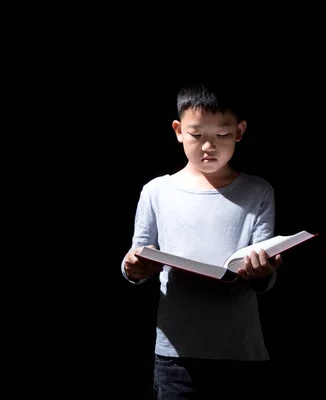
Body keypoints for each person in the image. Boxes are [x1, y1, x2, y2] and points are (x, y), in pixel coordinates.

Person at [121, 82, 283, 398]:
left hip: (240, 349)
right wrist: (133, 267)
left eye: (221, 135)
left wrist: (264, 274)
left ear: (239, 131)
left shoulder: (258, 191)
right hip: (176, 352)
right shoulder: (157, 191)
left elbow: (266, 273)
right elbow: (135, 257)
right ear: (179, 130)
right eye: (197, 135)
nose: (208, 146)